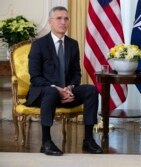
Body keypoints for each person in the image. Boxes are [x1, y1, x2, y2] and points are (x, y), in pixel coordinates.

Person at [26, 6, 103, 156]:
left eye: (66, 18)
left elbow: (76, 73)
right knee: (51, 91)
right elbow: (35, 77)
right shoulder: (39, 45)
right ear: (50, 22)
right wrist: (56, 88)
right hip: (45, 93)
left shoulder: (72, 44)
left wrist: (70, 87)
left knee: (91, 90)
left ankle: (88, 139)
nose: (63, 22)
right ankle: (46, 142)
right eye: (59, 18)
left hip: (67, 93)